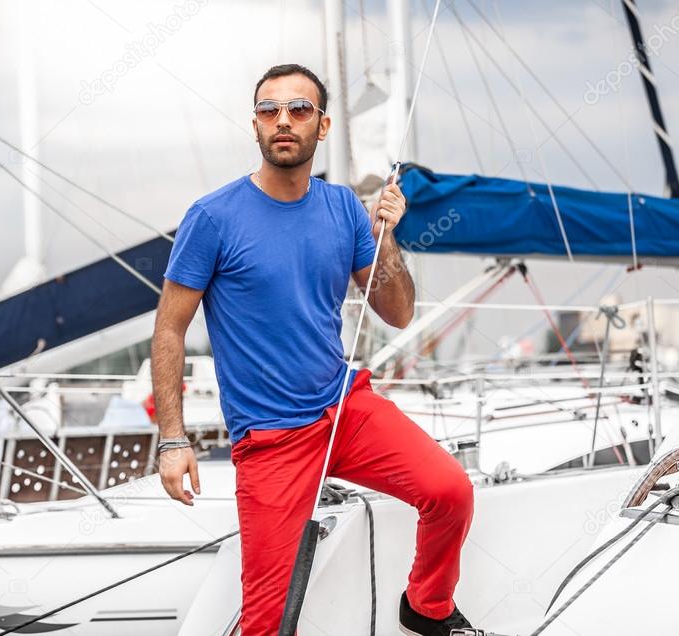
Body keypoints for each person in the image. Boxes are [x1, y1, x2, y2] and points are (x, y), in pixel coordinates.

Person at [151, 63, 475, 636]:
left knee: (450, 491)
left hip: (344, 408)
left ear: (322, 126)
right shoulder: (213, 217)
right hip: (271, 437)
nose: (283, 120)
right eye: (269, 110)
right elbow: (170, 328)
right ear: (254, 124)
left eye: (299, 110)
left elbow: (397, 311)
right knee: (265, 624)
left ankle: (428, 610)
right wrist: (173, 441)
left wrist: (387, 235)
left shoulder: (345, 207)